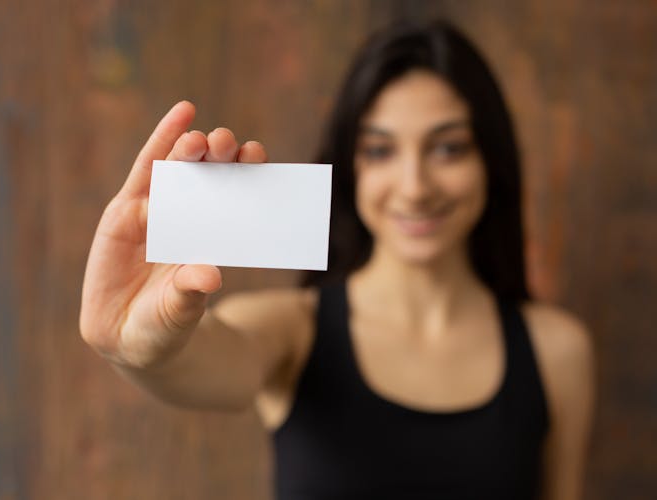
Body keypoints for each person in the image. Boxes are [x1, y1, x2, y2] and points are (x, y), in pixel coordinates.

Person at [80, 20, 594, 500]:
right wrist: (136, 348)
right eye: (379, 151)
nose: (414, 188)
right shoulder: (292, 330)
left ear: (490, 161)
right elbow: (200, 362)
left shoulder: (557, 352)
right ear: (350, 168)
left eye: (448, 148)